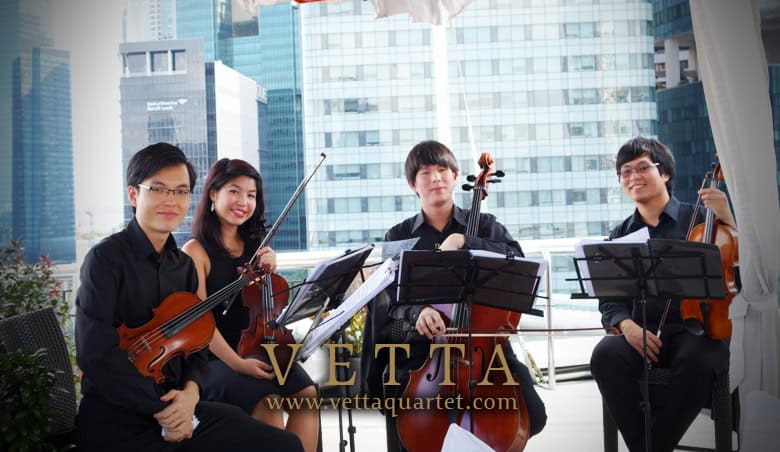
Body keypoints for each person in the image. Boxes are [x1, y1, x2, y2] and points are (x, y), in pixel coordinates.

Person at [75, 143, 302, 452]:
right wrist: (164, 410)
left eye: (181, 191)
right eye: (158, 189)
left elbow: (195, 349)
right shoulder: (105, 259)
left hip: (180, 407)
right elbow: (95, 355)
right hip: (119, 418)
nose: (171, 200)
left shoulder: (183, 268)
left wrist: (191, 394)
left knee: (284, 445)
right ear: (133, 194)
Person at [361, 140, 547, 451]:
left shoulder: (484, 226)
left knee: (534, 416)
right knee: (420, 419)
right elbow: (391, 300)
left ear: (455, 176)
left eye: (442, 170)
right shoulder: (399, 236)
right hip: (426, 352)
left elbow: (518, 261)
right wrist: (417, 313)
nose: (435, 178)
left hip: (486, 350)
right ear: (412, 184)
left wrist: (466, 240)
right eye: (425, 172)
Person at [590, 137, 735, 452]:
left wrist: (728, 217)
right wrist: (627, 326)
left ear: (665, 173)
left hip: (696, 330)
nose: (633, 177)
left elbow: (743, 266)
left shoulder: (699, 218)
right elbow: (611, 300)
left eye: (643, 167)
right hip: (640, 332)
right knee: (605, 355)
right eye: (625, 172)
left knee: (700, 359)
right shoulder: (620, 234)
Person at [182, 158, 319, 452]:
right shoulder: (195, 250)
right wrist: (238, 363)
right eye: (234, 191)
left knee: (306, 394)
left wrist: (271, 269)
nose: (243, 201)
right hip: (216, 360)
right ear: (213, 194)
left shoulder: (256, 244)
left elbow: (267, 307)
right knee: (266, 399)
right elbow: (199, 321)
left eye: (251, 194)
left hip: (259, 347)